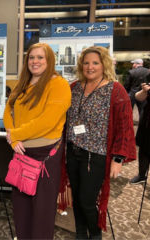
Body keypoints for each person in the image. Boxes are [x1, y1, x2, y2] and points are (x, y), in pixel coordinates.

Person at [64, 46, 136, 239]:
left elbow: (124, 127)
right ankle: (80, 233)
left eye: (95, 62)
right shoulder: (74, 87)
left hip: (96, 155)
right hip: (73, 151)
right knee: (77, 200)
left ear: (104, 64)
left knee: (87, 201)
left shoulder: (115, 90)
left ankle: (95, 235)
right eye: (86, 63)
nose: (90, 67)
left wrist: (118, 158)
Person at [3, 42, 71, 239]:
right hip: (20, 151)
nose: (35, 61)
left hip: (45, 155)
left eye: (40, 57)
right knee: (21, 205)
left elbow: (47, 121)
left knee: (42, 210)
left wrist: (16, 135)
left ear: (49, 60)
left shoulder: (58, 84)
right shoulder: (23, 82)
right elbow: (9, 110)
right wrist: (12, 138)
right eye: (31, 57)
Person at [129, 81, 150, 184]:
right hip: (147, 118)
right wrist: (144, 90)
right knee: (144, 148)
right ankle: (141, 175)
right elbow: (139, 97)